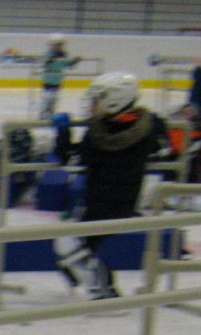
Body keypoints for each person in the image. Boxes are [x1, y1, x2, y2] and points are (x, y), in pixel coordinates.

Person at [51, 72, 168, 300]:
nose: (92, 106)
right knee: (78, 243)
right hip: (125, 200)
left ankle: (102, 290)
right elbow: (161, 145)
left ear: (114, 101)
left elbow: (72, 159)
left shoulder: (100, 134)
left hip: (102, 202)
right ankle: (86, 276)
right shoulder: (148, 126)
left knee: (68, 244)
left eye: (97, 100)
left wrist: (62, 134)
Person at [39, 34, 81, 121]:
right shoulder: (48, 54)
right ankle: (43, 115)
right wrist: (49, 60)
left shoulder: (64, 55)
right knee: (47, 98)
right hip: (48, 80)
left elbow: (67, 64)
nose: (58, 47)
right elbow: (44, 63)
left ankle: (51, 116)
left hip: (57, 80)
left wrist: (75, 61)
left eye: (60, 45)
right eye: (56, 45)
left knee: (54, 99)